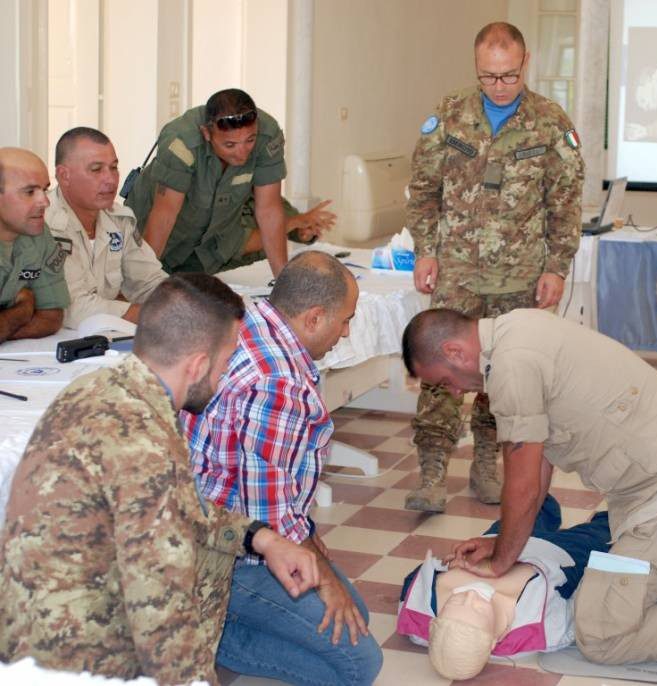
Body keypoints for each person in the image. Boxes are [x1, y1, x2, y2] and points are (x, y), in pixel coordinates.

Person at [401, 308, 657, 677]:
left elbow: (524, 485)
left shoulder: (512, 367)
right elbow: (539, 465)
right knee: (622, 586)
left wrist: (501, 563)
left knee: (600, 631)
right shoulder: (518, 332)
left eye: (444, 381)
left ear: (456, 352)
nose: (456, 392)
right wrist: (501, 544)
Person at [0, 274, 319, 684]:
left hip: (28, 628)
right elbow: (160, 615)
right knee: (201, 568)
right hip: (77, 656)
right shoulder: (145, 447)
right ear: (199, 365)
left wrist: (263, 537)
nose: (225, 377)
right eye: (226, 363)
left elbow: (184, 504)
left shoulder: (100, 387)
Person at [405, 21, 584, 513]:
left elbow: (565, 205)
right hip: (458, 275)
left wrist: (557, 267)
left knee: (502, 379)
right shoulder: (449, 114)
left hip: (520, 278)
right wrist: (426, 249)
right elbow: (423, 191)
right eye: (488, 77)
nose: (499, 86)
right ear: (476, 68)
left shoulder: (550, 123)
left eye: (507, 76)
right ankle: (432, 475)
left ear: (525, 64)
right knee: (441, 373)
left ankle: (486, 465)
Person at [184, 251, 383, 686]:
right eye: (344, 321)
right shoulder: (277, 381)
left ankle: (216, 629)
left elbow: (272, 486)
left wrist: (308, 537)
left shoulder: (254, 323)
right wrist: (323, 577)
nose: (346, 333)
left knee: (356, 616)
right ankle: (204, 634)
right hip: (219, 553)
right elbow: (268, 522)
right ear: (313, 318)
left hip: (223, 528)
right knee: (357, 664)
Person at [398, 495, 611, 680]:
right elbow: (578, 606)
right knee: (602, 533)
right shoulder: (540, 628)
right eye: (478, 609)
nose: (471, 595)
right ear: (494, 641)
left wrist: (448, 565)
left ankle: (543, 502)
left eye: (455, 599)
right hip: (555, 554)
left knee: (531, 508)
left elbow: (416, 580)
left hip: (496, 543)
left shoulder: (422, 609)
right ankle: (604, 520)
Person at [125, 88, 290, 276]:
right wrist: (142, 282)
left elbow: (269, 209)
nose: (242, 152)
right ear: (206, 133)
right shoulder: (181, 141)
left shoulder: (267, 136)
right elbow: (165, 214)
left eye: (250, 140)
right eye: (230, 145)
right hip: (152, 241)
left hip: (206, 247)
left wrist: (281, 280)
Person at [47, 127, 167, 328]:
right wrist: (157, 314)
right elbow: (74, 309)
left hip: (102, 336)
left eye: (113, 168)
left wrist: (184, 303)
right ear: (64, 175)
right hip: (46, 345)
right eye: (96, 169)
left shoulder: (119, 220)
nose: (110, 180)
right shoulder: (45, 223)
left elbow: (149, 281)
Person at [0, 147, 70, 342]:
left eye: (45, 189)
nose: (45, 202)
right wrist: (23, 310)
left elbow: (52, 317)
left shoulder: (37, 234)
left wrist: (5, 327)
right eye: (29, 192)